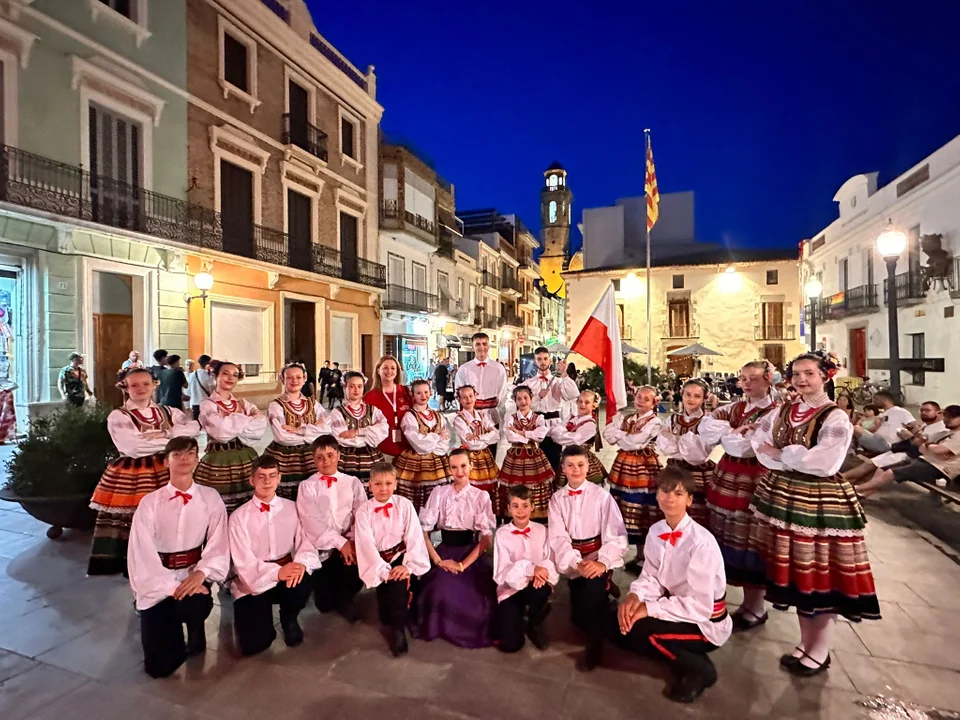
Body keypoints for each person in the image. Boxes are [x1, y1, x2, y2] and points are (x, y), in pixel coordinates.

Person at [747, 351, 880, 677]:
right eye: (796, 374)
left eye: (809, 373)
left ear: (826, 376)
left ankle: (819, 649)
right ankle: (806, 643)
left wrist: (782, 455)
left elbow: (824, 462)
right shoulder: (785, 409)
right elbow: (759, 441)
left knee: (817, 574)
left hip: (818, 503)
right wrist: (782, 457)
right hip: (783, 496)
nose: (801, 379)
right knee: (793, 571)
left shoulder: (834, 417)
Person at [613, 465, 732, 703]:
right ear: (656, 495)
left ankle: (699, 669)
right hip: (674, 607)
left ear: (689, 500)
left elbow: (701, 607)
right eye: (665, 491)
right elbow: (652, 576)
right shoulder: (657, 531)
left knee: (643, 632)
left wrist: (650, 609)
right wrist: (635, 596)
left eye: (678, 494)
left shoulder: (701, 543)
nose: (670, 499)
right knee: (619, 624)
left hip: (704, 622)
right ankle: (674, 650)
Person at [127, 436, 229, 678]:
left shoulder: (210, 497)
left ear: (197, 459)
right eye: (177, 454)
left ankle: (195, 628)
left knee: (195, 602)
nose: (184, 458)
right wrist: (171, 587)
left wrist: (201, 574)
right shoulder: (150, 503)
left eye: (190, 453)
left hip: (194, 574)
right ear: (165, 462)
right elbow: (141, 552)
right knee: (158, 668)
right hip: (158, 579)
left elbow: (218, 542)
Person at [88, 367, 201, 576]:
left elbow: (194, 427)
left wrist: (165, 433)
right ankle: (139, 573)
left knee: (171, 518)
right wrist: (171, 442)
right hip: (135, 475)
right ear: (125, 388)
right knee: (138, 521)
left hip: (168, 470)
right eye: (134, 385)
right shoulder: (118, 416)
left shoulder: (168, 412)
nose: (141, 389)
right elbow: (133, 447)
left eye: (146, 384)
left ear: (154, 385)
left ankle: (171, 564)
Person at [699, 360, 779, 630]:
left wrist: (729, 436)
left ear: (768, 379)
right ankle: (743, 602)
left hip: (755, 478)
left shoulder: (775, 410)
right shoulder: (735, 407)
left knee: (751, 537)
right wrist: (731, 432)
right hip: (728, 477)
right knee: (725, 531)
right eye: (742, 378)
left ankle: (756, 605)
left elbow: (746, 448)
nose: (745, 383)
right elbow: (705, 427)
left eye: (752, 378)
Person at [229, 456, 320, 655]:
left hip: (288, 573)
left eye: (272, 476)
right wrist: (276, 573)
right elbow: (243, 562)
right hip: (252, 579)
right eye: (261, 477)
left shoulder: (292, 508)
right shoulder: (238, 517)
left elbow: (306, 542)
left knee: (303, 579)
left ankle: (289, 617)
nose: (267, 481)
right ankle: (261, 621)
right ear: (251, 480)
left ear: (279, 478)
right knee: (254, 645)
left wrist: (301, 564)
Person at [548, 445, 628, 671]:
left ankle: (595, 646)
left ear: (588, 466)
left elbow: (616, 535)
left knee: (591, 607)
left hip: (597, 557)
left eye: (580, 465)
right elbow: (558, 536)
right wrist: (576, 563)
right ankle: (603, 591)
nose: (576, 470)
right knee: (578, 615)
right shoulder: (556, 499)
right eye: (570, 465)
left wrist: (601, 562)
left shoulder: (602, 497)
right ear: (562, 468)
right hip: (574, 561)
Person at [414, 448, 497, 648]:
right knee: (439, 590)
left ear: (471, 466)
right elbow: (423, 531)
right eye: (454, 467)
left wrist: (462, 565)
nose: (459, 471)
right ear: (449, 469)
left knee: (475, 601)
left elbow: (486, 539)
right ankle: (437, 626)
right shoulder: (439, 493)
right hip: (443, 552)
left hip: (470, 554)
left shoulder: (480, 496)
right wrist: (438, 561)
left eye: (463, 466)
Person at [354, 462, 431, 656]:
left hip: (400, 556)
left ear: (395, 484)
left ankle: (399, 633)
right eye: (378, 484)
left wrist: (408, 566)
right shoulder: (363, 512)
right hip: (378, 560)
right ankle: (393, 612)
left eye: (388, 483)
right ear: (369, 486)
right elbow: (366, 545)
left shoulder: (404, 505)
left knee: (399, 588)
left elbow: (414, 536)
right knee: (385, 613)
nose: (383, 488)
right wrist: (382, 570)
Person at [296, 436, 367, 622]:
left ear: (338, 456)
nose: (326, 461)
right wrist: (339, 542)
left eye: (330, 455)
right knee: (324, 604)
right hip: (323, 546)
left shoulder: (352, 482)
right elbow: (312, 522)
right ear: (313, 460)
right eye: (320, 457)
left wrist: (351, 540)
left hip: (348, 542)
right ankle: (325, 589)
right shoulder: (307, 486)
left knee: (352, 571)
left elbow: (361, 513)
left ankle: (347, 597)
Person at [195, 361, 268, 512]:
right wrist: (245, 419)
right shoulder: (207, 404)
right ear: (215, 376)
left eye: (235, 375)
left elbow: (259, 428)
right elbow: (221, 433)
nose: (230, 378)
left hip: (245, 456)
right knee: (217, 508)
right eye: (225, 374)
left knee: (250, 505)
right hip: (218, 458)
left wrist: (230, 419)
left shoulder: (242, 403)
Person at [492, 485, 558, 652]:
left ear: (533, 507)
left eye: (525, 506)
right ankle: (518, 614)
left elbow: (548, 559)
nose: (520, 511)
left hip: (536, 584)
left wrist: (539, 573)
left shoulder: (542, 530)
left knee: (540, 590)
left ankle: (534, 622)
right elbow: (501, 572)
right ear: (508, 509)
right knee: (510, 645)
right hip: (511, 588)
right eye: (515, 506)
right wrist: (528, 570)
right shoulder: (502, 534)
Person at [603, 385, 663, 556]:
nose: (641, 401)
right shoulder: (628, 418)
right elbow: (609, 436)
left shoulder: (654, 421)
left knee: (642, 505)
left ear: (653, 403)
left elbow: (636, 442)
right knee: (621, 503)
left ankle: (642, 553)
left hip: (644, 466)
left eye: (646, 399)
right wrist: (625, 435)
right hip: (623, 465)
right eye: (638, 397)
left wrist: (621, 434)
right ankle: (622, 550)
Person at [856, 404, 960, 496]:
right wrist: (928, 445)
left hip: (937, 468)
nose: (947, 419)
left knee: (891, 473)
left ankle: (856, 489)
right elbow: (922, 447)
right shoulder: (947, 433)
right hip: (925, 460)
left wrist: (928, 445)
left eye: (952, 417)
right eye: (946, 416)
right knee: (882, 469)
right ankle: (863, 493)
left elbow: (937, 450)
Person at [263, 362, 331, 500]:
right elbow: (282, 437)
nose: (294, 381)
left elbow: (328, 428)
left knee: (314, 495)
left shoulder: (313, 404)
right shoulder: (276, 405)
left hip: (312, 457)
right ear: (282, 379)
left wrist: (299, 430)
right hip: (285, 458)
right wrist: (314, 431)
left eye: (298, 377)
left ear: (304, 379)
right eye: (290, 377)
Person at [843, 401, 947, 484]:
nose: (923, 413)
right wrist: (908, 435)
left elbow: (926, 448)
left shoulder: (941, 429)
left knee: (874, 464)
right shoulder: (927, 425)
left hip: (913, 457)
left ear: (939, 412)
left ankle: (845, 480)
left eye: (927, 410)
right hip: (904, 451)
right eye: (921, 410)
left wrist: (910, 438)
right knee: (872, 463)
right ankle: (849, 481)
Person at [656, 378, 714, 527]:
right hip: (674, 468)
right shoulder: (673, 418)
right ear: (681, 394)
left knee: (695, 512)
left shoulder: (708, 421)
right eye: (688, 394)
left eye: (697, 396)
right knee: (670, 507)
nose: (691, 399)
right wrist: (685, 442)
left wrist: (675, 439)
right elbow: (665, 447)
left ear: (704, 398)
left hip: (697, 472)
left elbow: (697, 454)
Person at [394, 379, 451, 512]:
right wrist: (437, 437)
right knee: (417, 499)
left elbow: (446, 437)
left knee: (437, 497)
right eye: (419, 393)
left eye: (426, 392)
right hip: (415, 461)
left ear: (431, 393)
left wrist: (433, 443)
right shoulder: (409, 416)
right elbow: (417, 442)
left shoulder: (438, 415)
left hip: (437, 458)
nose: (423, 396)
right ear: (413, 395)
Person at [519, 346, 579, 472]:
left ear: (550, 361)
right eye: (539, 359)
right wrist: (537, 397)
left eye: (545, 359)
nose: (543, 362)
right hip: (535, 424)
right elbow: (522, 405)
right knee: (535, 462)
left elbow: (573, 394)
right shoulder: (528, 384)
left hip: (554, 423)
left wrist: (564, 374)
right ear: (535, 361)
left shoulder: (558, 381)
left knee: (554, 460)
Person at [499, 386, 554, 520]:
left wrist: (521, 432)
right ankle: (513, 513)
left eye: (526, 398)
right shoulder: (510, 418)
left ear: (531, 399)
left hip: (534, 456)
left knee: (538, 483)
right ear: (515, 401)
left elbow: (541, 435)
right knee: (514, 483)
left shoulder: (539, 417)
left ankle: (537, 515)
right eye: (519, 399)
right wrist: (529, 436)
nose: (523, 402)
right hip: (515, 456)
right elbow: (510, 436)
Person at [330, 371, 389, 489]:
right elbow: (342, 439)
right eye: (352, 386)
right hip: (347, 459)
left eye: (360, 386)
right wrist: (371, 432)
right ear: (344, 387)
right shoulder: (337, 412)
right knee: (347, 492)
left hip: (372, 458)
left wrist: (357, 432)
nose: (356, 390)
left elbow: (384, 430)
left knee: (374, 490)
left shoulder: (373, 410)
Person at [452, 385, 501, 514]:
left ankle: (486, 517)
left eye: (470, 396)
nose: (468, 400)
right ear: (460, 400)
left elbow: (496, 435)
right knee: (471, 488)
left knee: (488, 488)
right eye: (464, 397)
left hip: (485, 457)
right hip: (469, 458)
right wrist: (486, 438)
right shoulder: (459, 419)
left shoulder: (483, 415)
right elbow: (471, 444)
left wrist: (478, 436)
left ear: (475, 397)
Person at [456, 333, 508, 453]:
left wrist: (498, 413)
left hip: (491, 415)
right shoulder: (464, 369)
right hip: (470, 418)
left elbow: (502, 393)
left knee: (490, 452)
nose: (481, 347)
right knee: (469, 453)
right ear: (473, 347)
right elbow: (459, 393)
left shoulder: (498, 368)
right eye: (478, 344)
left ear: (489, 346)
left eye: (484, 344)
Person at [550, 390, 608, 487]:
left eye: (587, 402)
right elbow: (554, 432)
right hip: (567, 458)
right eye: (580, 401)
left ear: (594, 405)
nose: (582, 405)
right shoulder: (571, 418)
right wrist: (562, 433)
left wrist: (562, 433)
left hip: (581, 459)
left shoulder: (590, 424)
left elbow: (574, 440)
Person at [364, 355, 413, 461]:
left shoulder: (406, 392)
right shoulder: (370, 397)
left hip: (407, 451)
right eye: (385, 368)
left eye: (393, 368)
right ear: (378, 370)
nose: (389, 371)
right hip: (382, 451)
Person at [852, 390, 915, 455]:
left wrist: (910, 440)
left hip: (887, 443)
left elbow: (913, 425)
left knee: (856, 428)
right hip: (877, 439)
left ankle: (854, 450)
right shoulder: (882, 414)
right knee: (855, 428)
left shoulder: (899, 411)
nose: (874, 402)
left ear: (884, 400)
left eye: (876, 399)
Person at [186, 355, 215, 421]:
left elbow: (188, 390)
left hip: (194, 404)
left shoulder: (192, 375)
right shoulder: (208, 376)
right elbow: (211, 390)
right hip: (206, 404)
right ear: (207, 363)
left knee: (197, 425)